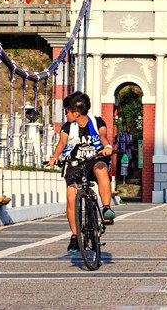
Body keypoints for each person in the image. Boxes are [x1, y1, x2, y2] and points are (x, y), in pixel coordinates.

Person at [48, 91, 115, 254]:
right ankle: (75, 236)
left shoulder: (97, 122)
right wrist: (55, 157)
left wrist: (107, 148)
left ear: (76, 113)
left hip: (94, 158)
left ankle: (106, 208)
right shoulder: (68, 127)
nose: (66, 115)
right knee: (71, 196)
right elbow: (62, 143)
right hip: (75, 161)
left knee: (101, 169)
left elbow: (103, 136)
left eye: (67, 112)